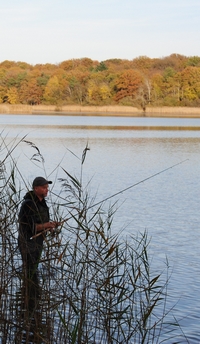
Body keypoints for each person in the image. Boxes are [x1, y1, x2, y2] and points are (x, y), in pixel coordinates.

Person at [18, 176, 60, 279]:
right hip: (28, 242)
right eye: (44, 187)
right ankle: (29, 292)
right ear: (36, 188)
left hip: (38, 242)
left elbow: (42, 223)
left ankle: (31, 292)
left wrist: (50, 226)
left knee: (33, 271)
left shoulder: (42, 203)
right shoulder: (29, 204)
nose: (47, 190)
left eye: (47, 187)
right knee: (30, 272)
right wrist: (47, 225)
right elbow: (31, 228)